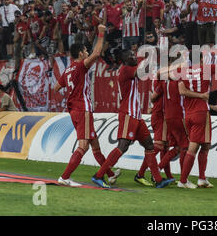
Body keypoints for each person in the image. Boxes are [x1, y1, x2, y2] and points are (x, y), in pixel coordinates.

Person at [91, 49, 175, 189]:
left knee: (149, 145)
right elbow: (141, 72)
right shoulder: (125, 70)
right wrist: (153, 55)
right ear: (124, 61)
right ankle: (99, 175)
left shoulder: (130, 70)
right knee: (122, 146)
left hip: (136, 116)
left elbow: (144, 71)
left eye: (134, 55)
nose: (134, 57)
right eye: (130, 56)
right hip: (128, 114)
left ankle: (158, 180)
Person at [54, 24, 120, 187]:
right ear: (81, 54)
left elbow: (56, 87)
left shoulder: (69, 70)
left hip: (74, 109)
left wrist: (72, 91)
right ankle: (65, 177)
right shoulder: (79, 66)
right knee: (83, 145)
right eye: (85, 51)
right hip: (82, 109)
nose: (87, 53)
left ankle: (110, 174)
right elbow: (97, 53)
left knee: (94, 144)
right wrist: (101, 33)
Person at [177, 52, 215, 189]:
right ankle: (183, 180)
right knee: (193, 147)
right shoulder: (206, 69)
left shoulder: (182, 71)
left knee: (205, 145)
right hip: (201, 112)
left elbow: (182, 91)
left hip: (188, 113)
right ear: (201, 59)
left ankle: (202, 178)